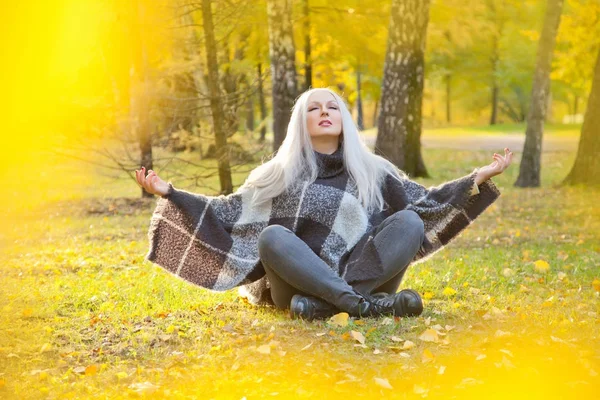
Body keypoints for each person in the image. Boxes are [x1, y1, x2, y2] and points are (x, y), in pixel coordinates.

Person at [135, 88, 512, 321]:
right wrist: (172, 193)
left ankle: (331, 307)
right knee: (272, 237)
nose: (325, 113)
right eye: (314, 109)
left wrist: (476, 178)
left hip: (355, 276)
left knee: (411, 221)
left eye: (332, 107)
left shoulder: (374, 172)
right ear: (302, 121)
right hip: (293, 288)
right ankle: (369, 306)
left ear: (344, 120)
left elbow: (427, 205)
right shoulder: (276, 174)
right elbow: (226, 212)